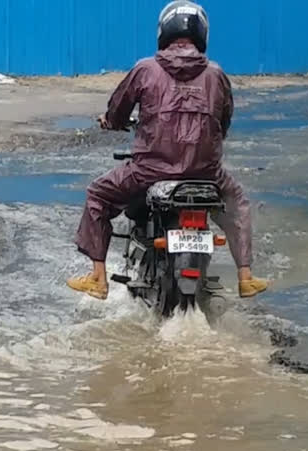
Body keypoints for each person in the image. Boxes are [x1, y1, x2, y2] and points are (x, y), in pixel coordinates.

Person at [67, 0, 268, 301]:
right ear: (202, 34)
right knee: (237, 202)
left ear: (164, 32)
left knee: (98, 194)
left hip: (150, 171)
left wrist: (111, 122)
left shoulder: (145, 69)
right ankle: (246, 276)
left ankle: (98, 277)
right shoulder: (216, 74)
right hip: (207, 174)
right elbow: (223, 124)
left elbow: (118, 110)